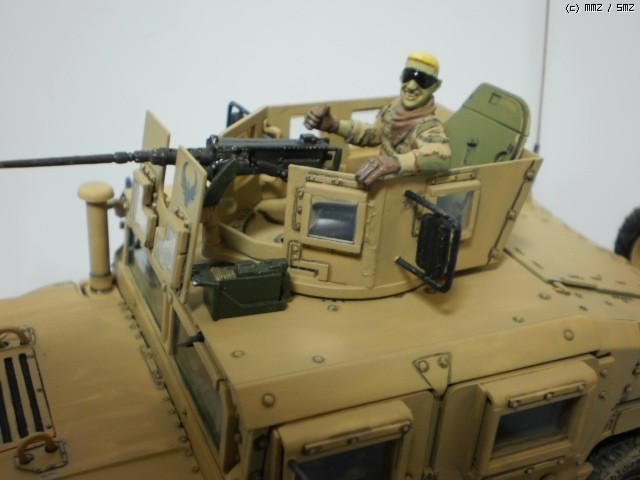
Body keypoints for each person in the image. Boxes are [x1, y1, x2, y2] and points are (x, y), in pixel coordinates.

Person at [304, 51, 451, 187]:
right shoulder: (393, 108)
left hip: (405, 190)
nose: (411, 86)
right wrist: (335, 125)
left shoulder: (429, 126)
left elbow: (440, 157)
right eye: (408, 76)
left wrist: (395, 162)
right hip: (381, 182)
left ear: (435, 86)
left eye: (423, 80)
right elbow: (374, 134)